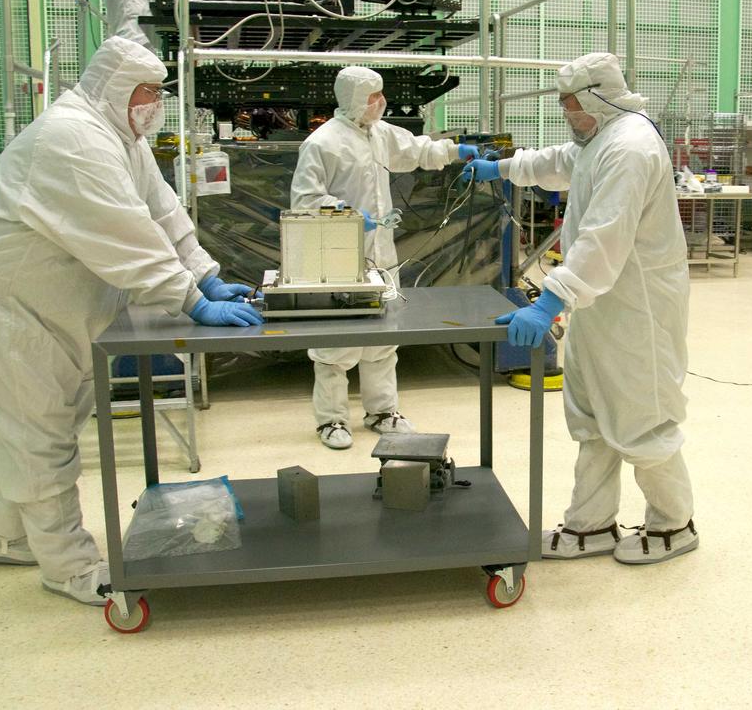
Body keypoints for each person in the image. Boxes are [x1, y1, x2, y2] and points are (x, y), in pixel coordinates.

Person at [0, 36, 263, 605]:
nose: (154, 105)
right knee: (36, 425)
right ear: (117, 90)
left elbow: (161, 209)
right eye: (147, 93)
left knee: (51, 418)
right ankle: (67, 565)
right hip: (5, 298)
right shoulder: (72, 137)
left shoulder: (122, 136)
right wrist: (191, 301)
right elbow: (127, 233)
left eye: (158, 93)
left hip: (50, 299)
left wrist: (207, 273)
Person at [462, 52, 696, 565]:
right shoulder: (599, 139)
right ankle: (592, 526)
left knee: (642, 418)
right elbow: (559, 161)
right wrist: (498, 167)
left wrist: (548, 302)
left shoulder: (630, 147)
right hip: (599, 303)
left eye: (572, 106)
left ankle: (674, 523)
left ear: (597, 97)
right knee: (591, 416)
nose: (568, 115)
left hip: (639, 308)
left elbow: (603, 238)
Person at [290, 66, 477, 450]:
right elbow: (305, 201)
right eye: (373, 96)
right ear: (354, 99)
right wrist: (348, 213)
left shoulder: (379, 134)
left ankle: (382, 411)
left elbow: (417, 149)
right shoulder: (322, 143)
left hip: (381, 253)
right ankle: (331, 420)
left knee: (383, 338)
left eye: (380, 95)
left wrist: (455, 149)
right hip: (339, 255)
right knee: (335, 342)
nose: (380, 102)